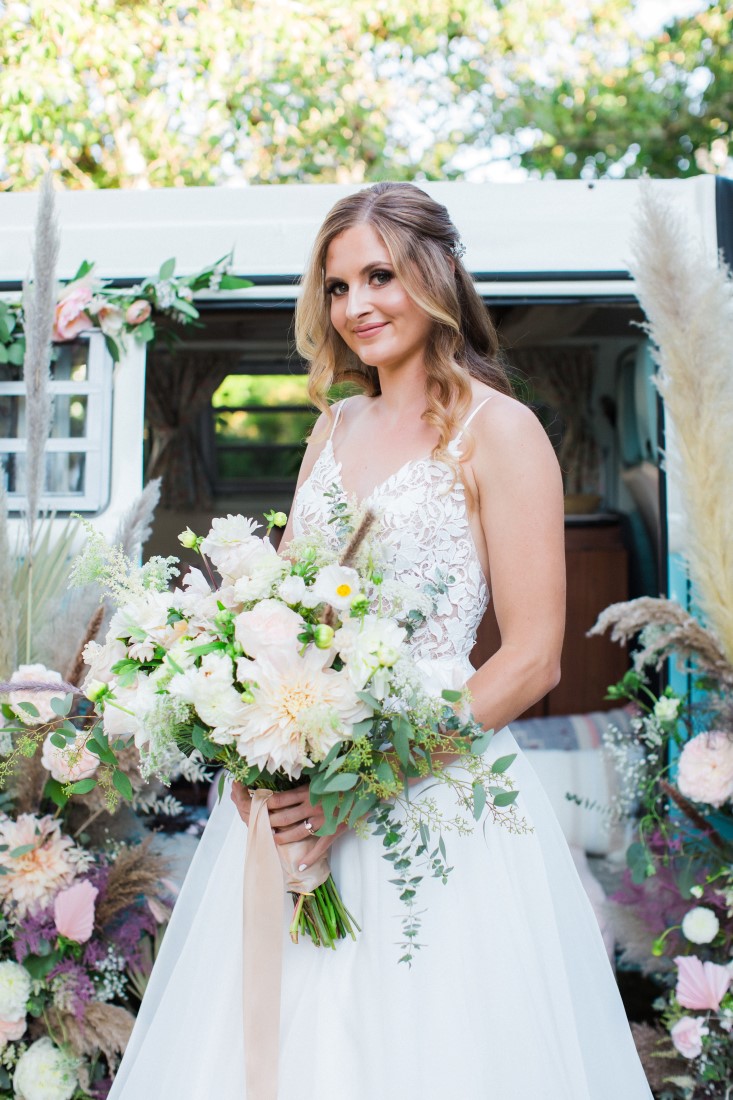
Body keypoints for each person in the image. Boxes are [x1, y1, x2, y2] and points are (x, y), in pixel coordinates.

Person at [109, 183, 652, 1099]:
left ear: (434, 276)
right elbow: (276, 615)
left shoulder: (501, 430)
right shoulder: (332, 425)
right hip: (297, 785)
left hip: (433, 788)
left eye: (378, 277)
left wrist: (360, 788)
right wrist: (253, 745)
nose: (356, 306)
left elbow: (531, 660)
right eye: (335, 287)